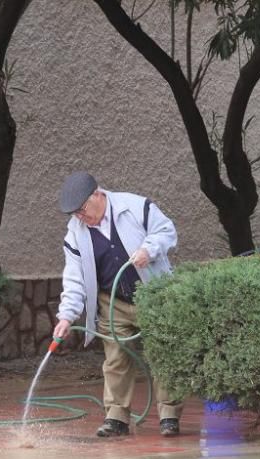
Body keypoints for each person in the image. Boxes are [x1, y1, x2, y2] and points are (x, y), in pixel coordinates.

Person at [53, 171, 184, 438]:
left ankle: (169, 414)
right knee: (115, 359)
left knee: (164, 353)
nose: (81, 217)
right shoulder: (75, 235)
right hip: (113, 301)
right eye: (75, 214)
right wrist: (66, 316)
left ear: (97, 195)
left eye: (82, 209)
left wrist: (149, 249)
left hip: (153, 294)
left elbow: (167, 231)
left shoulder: (136, 207)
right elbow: (74, 278)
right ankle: (117, 417)